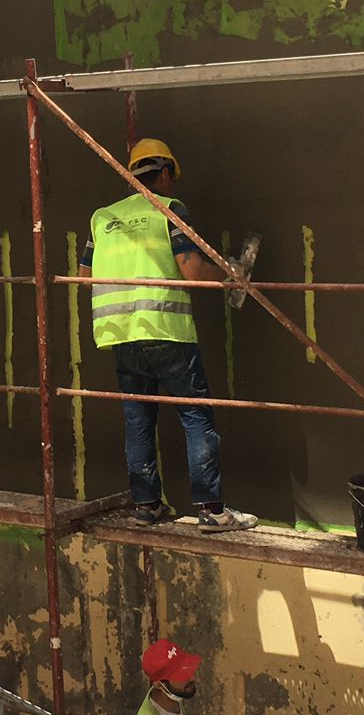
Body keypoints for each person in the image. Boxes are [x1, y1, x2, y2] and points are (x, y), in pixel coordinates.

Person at [80, 136, 255, 530]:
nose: (173, 183)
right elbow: (191, 271)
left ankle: (147, 506)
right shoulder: (168, 209)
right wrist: (229, 276)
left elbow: (84, 275)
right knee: (195, 416)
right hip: (166, 330)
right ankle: (212, 512)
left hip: (120, 335)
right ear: (163, 172)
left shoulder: (102, 217)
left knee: (138, 421)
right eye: (171, 176)